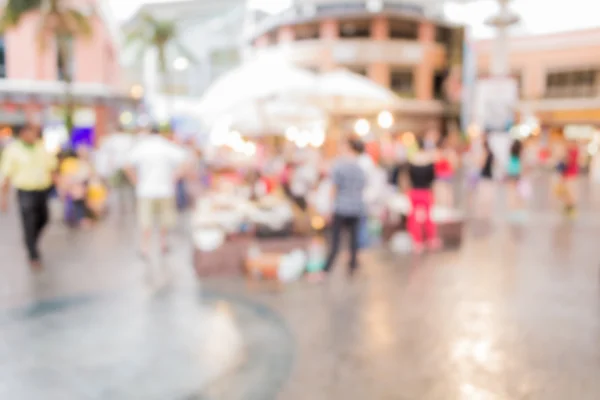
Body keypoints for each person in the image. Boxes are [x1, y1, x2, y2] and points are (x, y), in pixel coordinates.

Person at [308, 137, 366, 282]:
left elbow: (333, 188)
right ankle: (352, 267)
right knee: (353, 241)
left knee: (335, 242)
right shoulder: (360, 167)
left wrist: (328, 208)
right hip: (356, 207)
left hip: (341, 207)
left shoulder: (339, 166)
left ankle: (326, 270)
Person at [0, 124, 57, 269]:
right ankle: (33, 254)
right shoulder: (13, 150)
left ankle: (30, 240)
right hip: (25, 191)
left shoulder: (40, 147)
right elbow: (6, 175)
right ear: (23, 134)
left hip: (42, 190)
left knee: (44, 219)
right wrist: (3, 198)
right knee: (29, 222)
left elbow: (51, 167)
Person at [125, 126, 186, 259]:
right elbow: (184, 161)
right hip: (166, 190)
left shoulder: (142, 147)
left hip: (145, 191)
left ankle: (145, 247)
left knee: (145, 220)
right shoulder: (166, 146)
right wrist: (174, 177)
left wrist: (136, 181)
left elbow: (127, 165)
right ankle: (163, 244)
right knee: (164, 218)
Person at [407, 136, 441, 254]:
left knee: (414, 217)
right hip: (426, 192)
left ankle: (417, 241)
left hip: (414, 191)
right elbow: (432, 178)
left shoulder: (412, 160)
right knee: (428, 216)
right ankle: (430, 239)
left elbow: (409, 177)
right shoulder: (429, 161)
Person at [506, 139, 524, 210]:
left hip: (511, 172)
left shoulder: (511, 152)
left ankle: (511, 207)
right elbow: (521, 164)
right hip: (517, 173)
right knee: (517, 192)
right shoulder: (519, 153)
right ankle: (515, 207)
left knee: (511, 192)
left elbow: (509, 163)